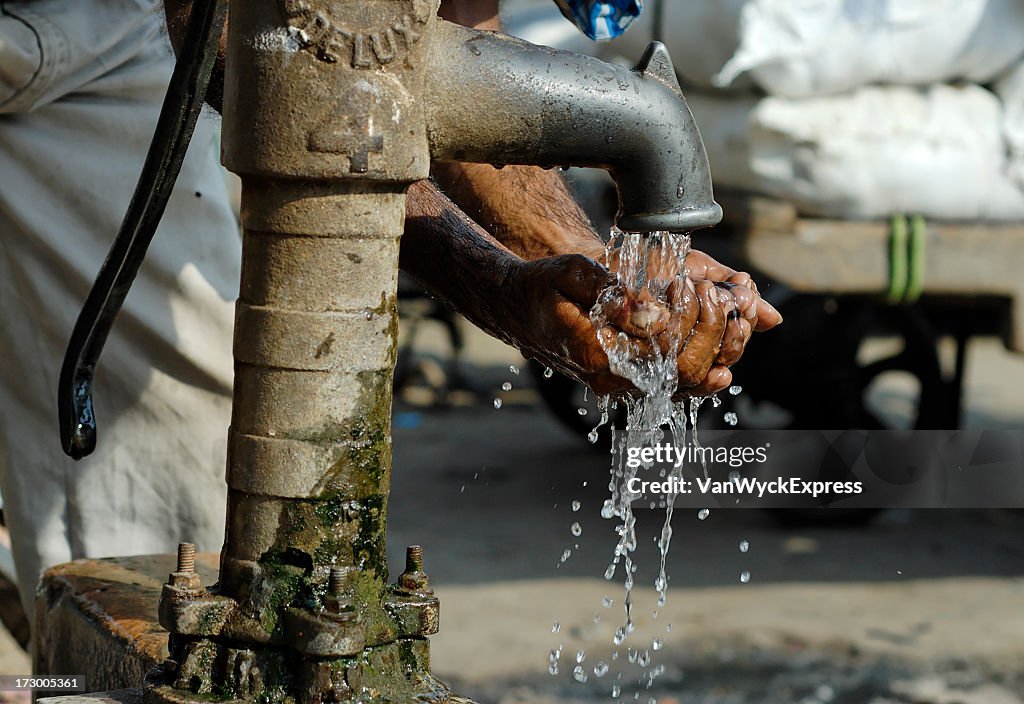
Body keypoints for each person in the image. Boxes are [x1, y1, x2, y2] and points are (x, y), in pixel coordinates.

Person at [0, 0, 780, 624]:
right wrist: (495, 287)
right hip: (194, 25)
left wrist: (607, 286)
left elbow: (425, 50)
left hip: (93, 30)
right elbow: (273, 52)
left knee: (163, 510)